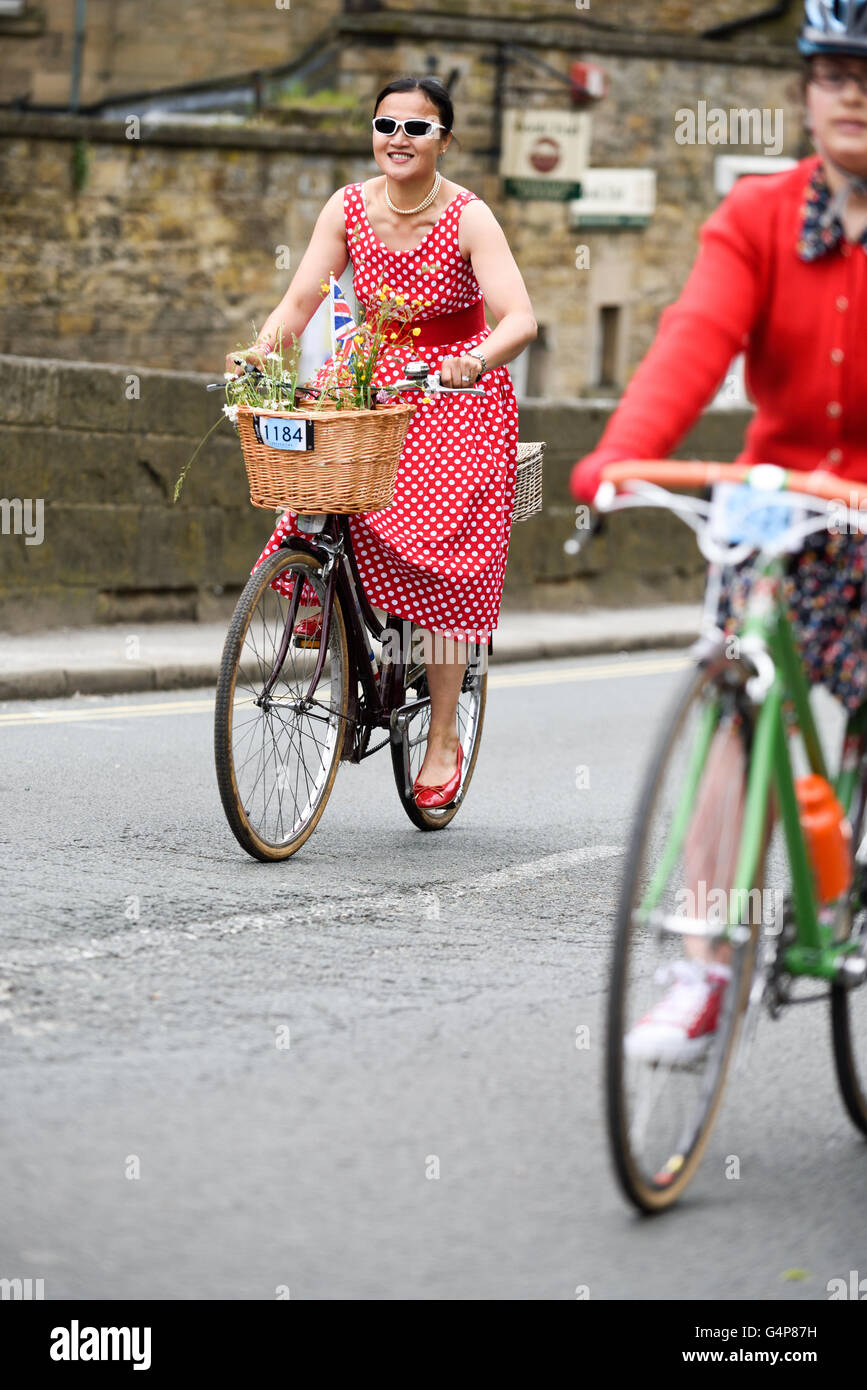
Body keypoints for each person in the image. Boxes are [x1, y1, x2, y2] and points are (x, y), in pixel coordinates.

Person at [570, 0, 867, 1061]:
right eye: (837, 72)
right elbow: (693, 340)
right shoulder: (758, 218)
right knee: (733, 685)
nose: (856, 93)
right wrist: (620, 451)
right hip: (780, 501)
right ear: (805, 90)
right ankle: (702, 963)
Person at [227, 75, 536, 809]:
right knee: (313, 485)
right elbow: (301, 299)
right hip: (366, 380)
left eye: (416, 128)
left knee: (445, 560)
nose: (398, 138)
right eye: (385, 124)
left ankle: (440, 740)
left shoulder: (469, 217)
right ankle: (316, 594)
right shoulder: (347, 206)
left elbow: (519, 317)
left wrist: (475, 359)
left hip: (452, 392)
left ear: (444, 141)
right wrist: (260, 355)